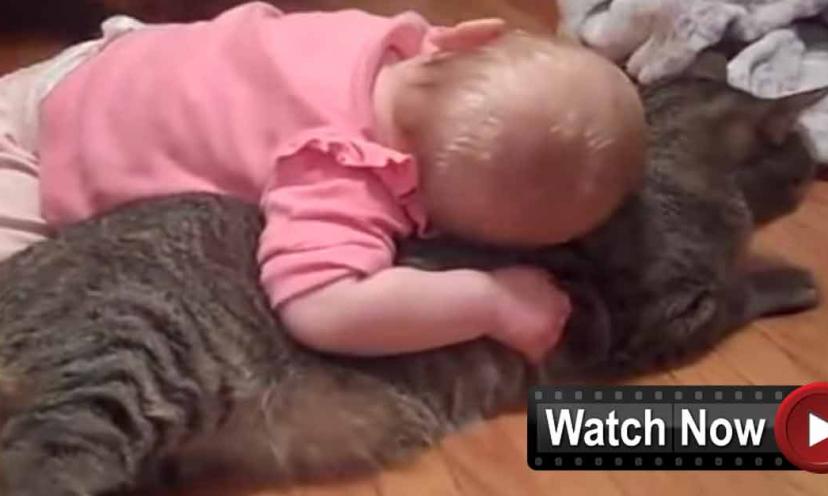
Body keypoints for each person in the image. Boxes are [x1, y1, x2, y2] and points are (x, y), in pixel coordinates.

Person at [0, 2, 646, 363]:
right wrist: (488, 301)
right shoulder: (342, 173)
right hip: (37, 143)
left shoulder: (394, 37)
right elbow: (324, 307)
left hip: (117, 54)